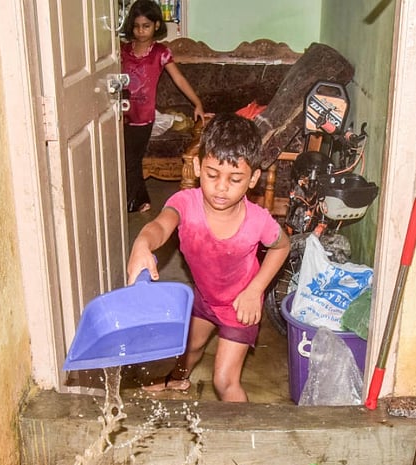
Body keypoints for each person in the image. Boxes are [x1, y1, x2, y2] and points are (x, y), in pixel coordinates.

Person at [126, 113, 291, 402]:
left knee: (224, 381)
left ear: (253, 179)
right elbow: (160, 226)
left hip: (240, 306)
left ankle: (244, 429)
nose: (221, 187)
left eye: (235, 179)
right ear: (197, 167)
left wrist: (255, 290)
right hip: (205, 297)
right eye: (213, 175)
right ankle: (177, 378)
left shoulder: (258, 220)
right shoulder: (184, 203)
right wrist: (142, 243)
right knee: (189, 348)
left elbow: (282, 246)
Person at [121, 0, 205, 213]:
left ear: (156, 25)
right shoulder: (123, 50)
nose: (141, 31)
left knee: (132, 158)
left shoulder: (160, 52)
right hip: (121, 114)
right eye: (136, 26)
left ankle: (138, 201)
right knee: (124, 157)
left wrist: (197, 103)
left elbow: (179, 79)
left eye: (146, 26)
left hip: (143, 117)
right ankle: (136, 199)